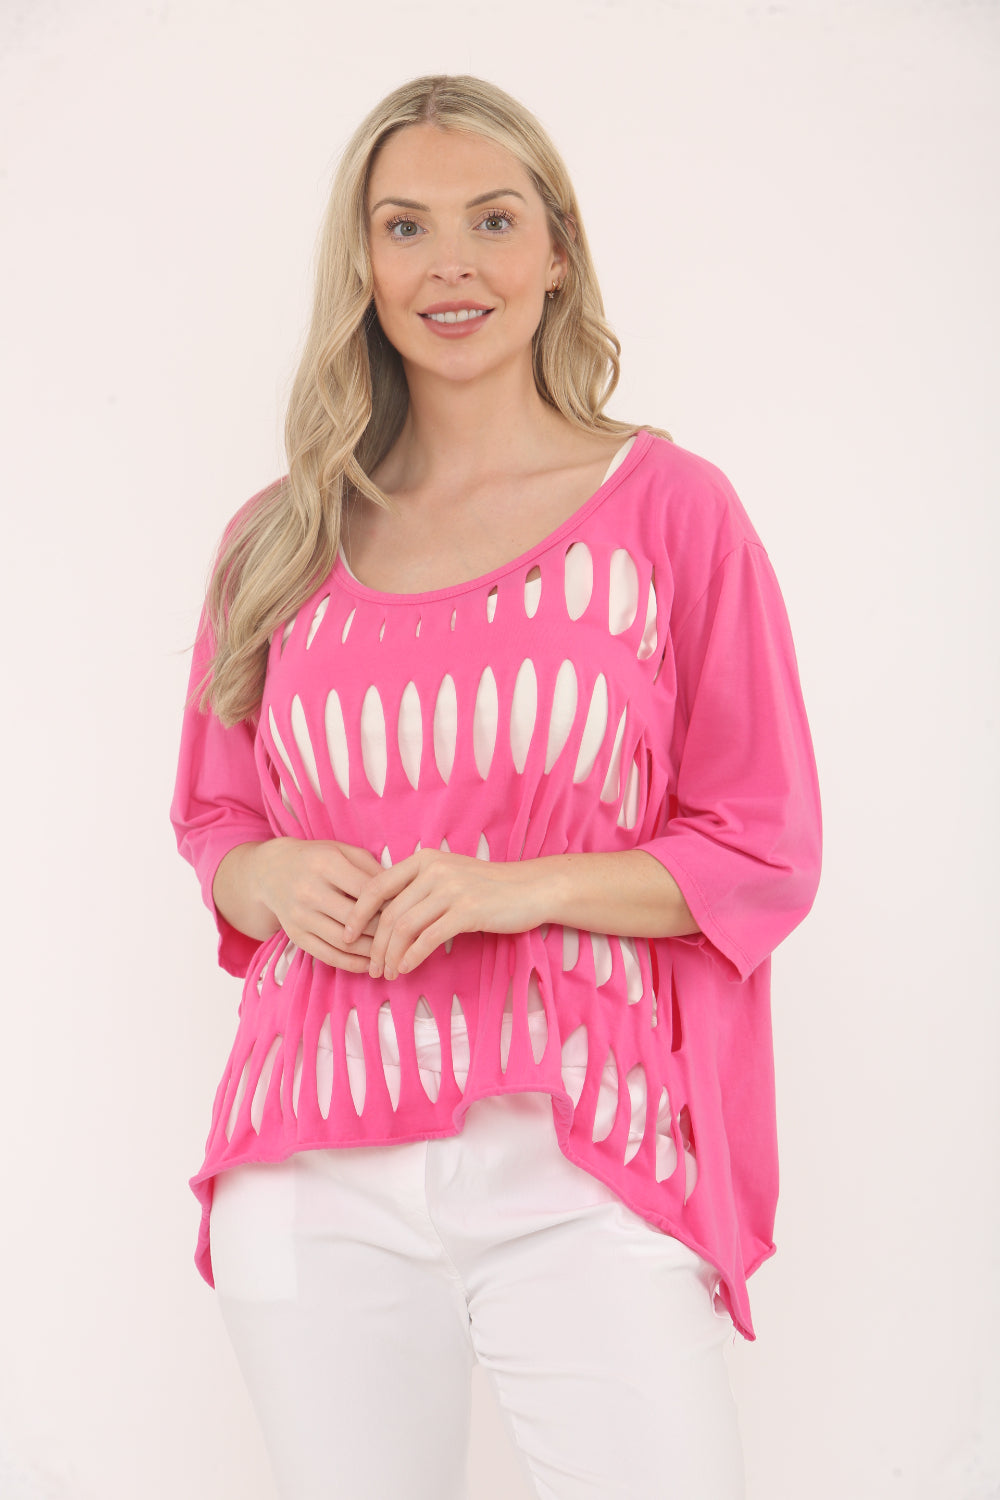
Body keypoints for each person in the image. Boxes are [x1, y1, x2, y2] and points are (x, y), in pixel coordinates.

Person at [170, 73, 822, 1500]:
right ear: (362, 264)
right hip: (309, 1143)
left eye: (494, 220)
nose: (450, 264)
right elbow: (216, 822)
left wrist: (512, 890)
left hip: (579, 1136)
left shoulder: (668, 511)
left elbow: (760, 843)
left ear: (558, 254)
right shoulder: (276, 538)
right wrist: (270, 873)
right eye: (405, 226)